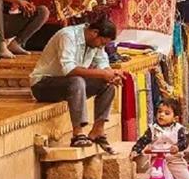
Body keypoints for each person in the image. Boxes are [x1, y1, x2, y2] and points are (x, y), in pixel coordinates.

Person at [29, 19, 123, 153]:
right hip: (43, 85)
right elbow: (69, 69)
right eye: (102, 43)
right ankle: (77, 133)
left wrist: (111, 74)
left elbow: (102, 62)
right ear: (94, 33)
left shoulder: (95, 44)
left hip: (71, 84)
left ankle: (98, 130)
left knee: (108, 85)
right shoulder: (67, 36)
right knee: (77, 81)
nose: (100, 47)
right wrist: (102, 73)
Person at [129, 98, 189, 179]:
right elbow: (143, 140)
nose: (161, 115)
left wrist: (177, 147)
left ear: (175, 118)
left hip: (174, 161)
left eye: (167, 113)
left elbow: (184, 142)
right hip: (157, 162)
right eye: (159, 112)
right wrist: (135, 150)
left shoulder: (178, 129)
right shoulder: (152, 129)